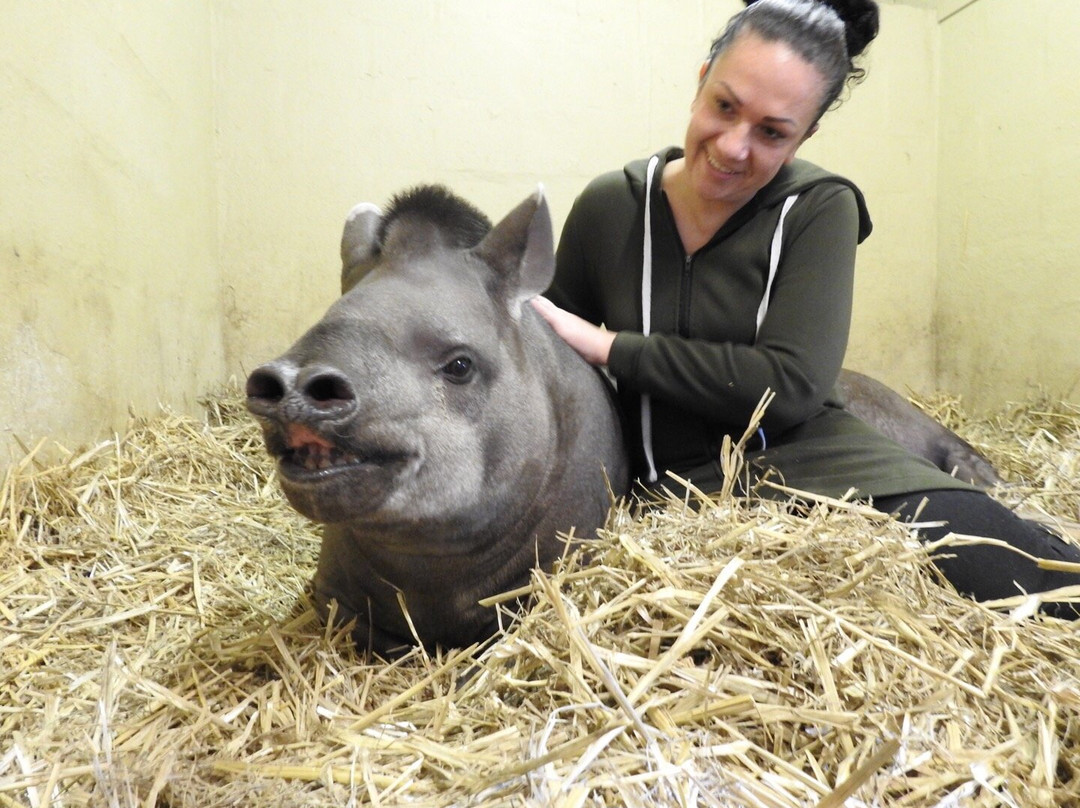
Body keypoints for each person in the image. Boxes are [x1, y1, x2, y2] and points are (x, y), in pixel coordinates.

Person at [532, 0, 1080, 615]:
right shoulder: (612, 203)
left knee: (1044, 581)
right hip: (653, 496)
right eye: (724, 106)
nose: (734, 146)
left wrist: (609, 347)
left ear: (807, 134)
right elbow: (544, 351)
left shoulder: (820, 208)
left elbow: (790, 386)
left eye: (772, 131)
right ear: (702, 77)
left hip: (817, 466)